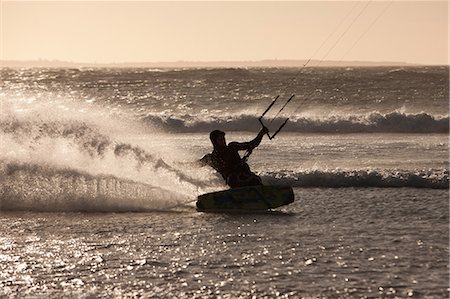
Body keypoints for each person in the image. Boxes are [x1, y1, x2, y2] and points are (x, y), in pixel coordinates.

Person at [200, 127, 269, 188]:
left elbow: (251, 144)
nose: (223, 141)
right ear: (215, 142)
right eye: (220, 139)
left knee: (255, 179)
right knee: (233, 178)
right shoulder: (211, 158)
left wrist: (261, 134)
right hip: (233, 181)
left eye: (223, 138)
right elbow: (195, 165)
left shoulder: (232, 146)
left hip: (245, 175)